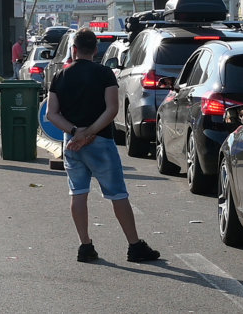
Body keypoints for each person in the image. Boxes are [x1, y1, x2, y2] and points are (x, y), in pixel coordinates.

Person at [46, 28, 160, 263]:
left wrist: (76, 132)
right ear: (96, 50)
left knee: (78, 193)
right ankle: (134, 246)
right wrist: (90, 132)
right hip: (101, 141)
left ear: (74, 49)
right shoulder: (104, 73)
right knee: (117, 194)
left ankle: (85, 246)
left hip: (71, 144)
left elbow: (51, 114)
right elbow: (112, 109)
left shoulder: (60, 76)